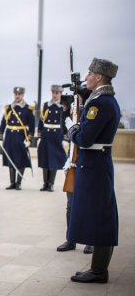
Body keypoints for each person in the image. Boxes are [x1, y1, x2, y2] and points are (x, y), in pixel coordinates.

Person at [65, 57, 120, 283]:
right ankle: (97, 268)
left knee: (101, 217)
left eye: (89, 74)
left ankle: (99, 271)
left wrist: (72, 129)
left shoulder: (99, 103)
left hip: (94, 165)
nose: (86, 77)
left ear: (98, 77)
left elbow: (86, 139)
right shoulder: (105, 100)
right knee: (101, 215)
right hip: (97, 163)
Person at [57, 100, 93, 254]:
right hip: (71, 163)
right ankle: (71, 239)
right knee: (70, 206)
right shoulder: (71, 111)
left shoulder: (88, 110)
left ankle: (91, 240)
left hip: (85, 164)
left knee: (88, 205)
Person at [0, 87, 35, 190]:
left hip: (21, 137)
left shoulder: (28, 109)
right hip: (9, 137)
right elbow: (3, 124)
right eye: (16, 94)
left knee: (20, 160)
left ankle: (18, 183)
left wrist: (30, 140)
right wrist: (0, 137)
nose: (17, 96)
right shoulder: (8, 108)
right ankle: (12, 183)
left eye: (19, 94)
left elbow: (31, 127)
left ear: (23, 95)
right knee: (11, 159)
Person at [37, 85, 68, 192]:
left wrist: (65, 138)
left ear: (60, 94)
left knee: (53, 160)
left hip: (57, 135)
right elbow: (41, 121)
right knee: (45, 159)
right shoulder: (46, 105)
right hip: (46, 135)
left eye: (57, 93)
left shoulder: (63, 106)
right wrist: (39, 136)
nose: (54, 95)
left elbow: (66, 123)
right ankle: (45, 183)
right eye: (53, 92)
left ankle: (51, 184)